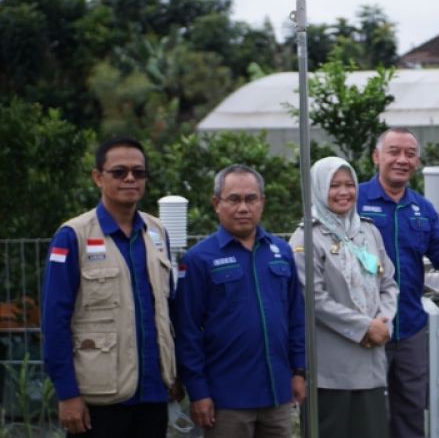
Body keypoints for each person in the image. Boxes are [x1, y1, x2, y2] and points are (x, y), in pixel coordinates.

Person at [42, 136, 178, 437]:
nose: (130, 178)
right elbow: (54, 321)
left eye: (138, 172)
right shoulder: (72, 236)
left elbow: (169, 309)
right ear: (97, 177)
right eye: (119, 172)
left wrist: (176, 374)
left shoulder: (156, 232)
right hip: (98, 398)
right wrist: (67, 394)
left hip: (152, 393)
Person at [356, 127, 439, 438]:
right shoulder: (355, 200)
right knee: (369, 411)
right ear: (376, 157)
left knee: (411, 409)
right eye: (394, 152)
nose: (402, 160)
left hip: (410, 327)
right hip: (367, 325)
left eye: (410, 154)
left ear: (417, 161)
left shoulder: (422, 209)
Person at [174, 164, 306, 437]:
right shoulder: (199, 259)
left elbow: (295, 316)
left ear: (262, 202)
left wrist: (299, 371)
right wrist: (197, 391)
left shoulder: (280, 251)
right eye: (234, 199)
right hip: (226, 400)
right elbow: (187, 331)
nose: (243, 208)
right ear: (216, 203)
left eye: (251, 199)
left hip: (276, 394)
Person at [290, 157, 398, 438]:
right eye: (334, 185)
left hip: (372, 362)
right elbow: (314, 299)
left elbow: (388, 283)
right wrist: (364, 327)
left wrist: (383, 322)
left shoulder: (368, 232)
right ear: (318, 189)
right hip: (331, 370)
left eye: (349, 184)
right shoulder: (306, 238)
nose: (344, 192)